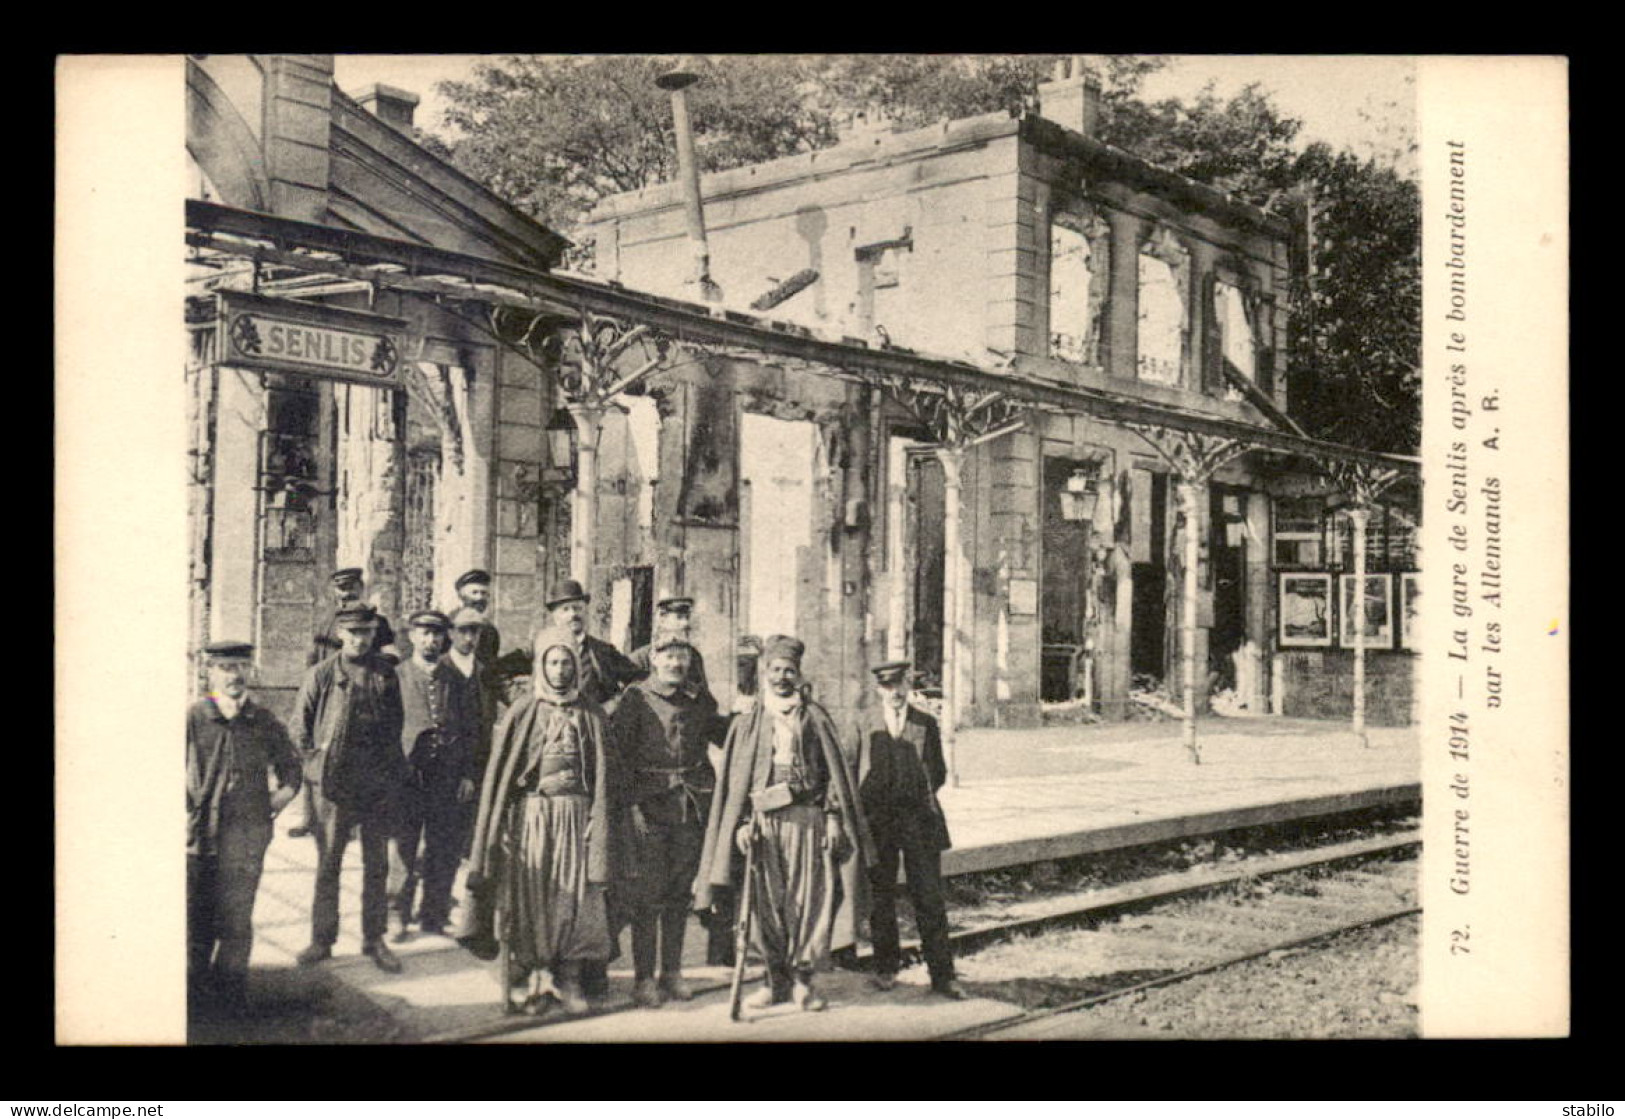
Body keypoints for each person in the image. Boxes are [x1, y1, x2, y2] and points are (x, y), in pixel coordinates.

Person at [693, 635, 874, 1012]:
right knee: (764, 905)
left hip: (807, 822)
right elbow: (737, 782)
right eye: (775, 670)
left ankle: (804, 981)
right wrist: (742, 823)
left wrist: (834, 817)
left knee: (807, 902)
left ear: (799, 674)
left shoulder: (816, 718)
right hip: (762, 825)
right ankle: (773, 982)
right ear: (764, 673)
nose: (781, 677)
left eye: (789, 671)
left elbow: (834, 776)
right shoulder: (747, 722)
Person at [462, 628, 620, 1016]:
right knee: (531, 899)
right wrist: (502, 823)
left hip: (576, 816)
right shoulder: (523, 710)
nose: (560, 669)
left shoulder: (591, 713)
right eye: (553, 661)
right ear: (541, 665)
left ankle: (568, 978)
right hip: (532, 816)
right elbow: (503, 775)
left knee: (575, 899)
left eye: (567, 661)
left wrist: (595, 818)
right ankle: (531, 976)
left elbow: (603, 776)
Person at [292, 604, 409, 974]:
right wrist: (317, 766)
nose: (360, 639)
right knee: (330, 863)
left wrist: (392, 776)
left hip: (375, 784)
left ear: (375, 635)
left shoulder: (386, 675)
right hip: (334, 786)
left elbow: (396, 728)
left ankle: (374, 939)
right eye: (353, 632)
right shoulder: (322, 675)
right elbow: (299, 729)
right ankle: (322, 939)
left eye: (367, 633)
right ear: (341, 634)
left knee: (376, 865)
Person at [187, 641, 302, 1013]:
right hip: (199, 838)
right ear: (211, 673)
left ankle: (230, 999)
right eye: (226, 668)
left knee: (237, 920)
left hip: (247, 839)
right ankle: (194, 997)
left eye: (240, 667)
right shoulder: (195, 717)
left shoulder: (263, 721)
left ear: (250, 671)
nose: (234, 676)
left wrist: (276, 801)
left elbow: (292, 771)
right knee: (197, 920)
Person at [609, 631, 722, 1007]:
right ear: (653, 659)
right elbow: (619, 759)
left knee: (678, 896)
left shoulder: (698, 699)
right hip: (648, 809)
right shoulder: (636, 698)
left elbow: (722, 733)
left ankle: (672, 973)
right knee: (648, 897)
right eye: (668, 656)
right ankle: (643, 978)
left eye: (682, 656)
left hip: (690, 808)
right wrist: (630, 808)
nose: (676, 663)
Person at [847, 661, 965, 1000]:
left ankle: (942, 976)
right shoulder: (862, 722)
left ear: (908, 684)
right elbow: (850, 768)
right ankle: (886, 968)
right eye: (887, 686)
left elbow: (937, 772)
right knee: (880, 898)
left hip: (918, 822)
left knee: (928, 898)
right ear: (878, 689)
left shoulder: (925, 722)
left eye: (900, 685)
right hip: (878, 824)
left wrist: (913, 797)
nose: (895, 693)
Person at [388, 611, 478, 940]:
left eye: (437, 634)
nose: (431, 640)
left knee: (444, 845)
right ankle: (397, 912)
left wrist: (468, 774)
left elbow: (471, 730)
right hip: (408, 777)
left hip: (448, 776)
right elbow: (385, 731)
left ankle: (434, 914)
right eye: (424, 633)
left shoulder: (455, 679)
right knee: (404, 846)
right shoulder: (396, 677)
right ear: (412, 636)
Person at [290, 567, 398, 838]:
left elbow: (390, 652)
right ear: (334, 591)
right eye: (341, 588)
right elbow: (313, 657)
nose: (346, 593)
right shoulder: (328, 622)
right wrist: (312, 686)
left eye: (351, 587)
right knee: (318, 749)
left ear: (361, 587)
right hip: (327, 692)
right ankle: (310, 817)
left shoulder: (379, 622)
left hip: (364, 691)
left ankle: (355, 821)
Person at [447, 605, 503, 853]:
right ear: (450, 633)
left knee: (472, 834)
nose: (469, 638)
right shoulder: (440, 669)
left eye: (475, 632)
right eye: (463, 631)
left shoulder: (486, 673)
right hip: (445, 767)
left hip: (479, 761)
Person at [545, 580, 639, 711]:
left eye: (577, 608)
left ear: (585, 612)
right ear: (555, 617)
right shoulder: (541, 650)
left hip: (595, 727)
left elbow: (639, 680)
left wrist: (616, 702)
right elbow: (505, 670)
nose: (573, 614)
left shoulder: (603, 651)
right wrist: (529, 702)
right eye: (565, 609)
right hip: (553, 725)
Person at [628, 596, 713, 701]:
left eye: (687, 617)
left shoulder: (694, 656)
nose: (685, 623)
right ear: (662, 619)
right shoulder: (639, 658)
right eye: (679, 617)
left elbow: (703, 699)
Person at [450, 568, 501, 666]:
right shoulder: (450, 623)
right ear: (461, 596)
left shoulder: (490, 630)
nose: (480, 598)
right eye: (474, 592)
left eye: (484, 593)